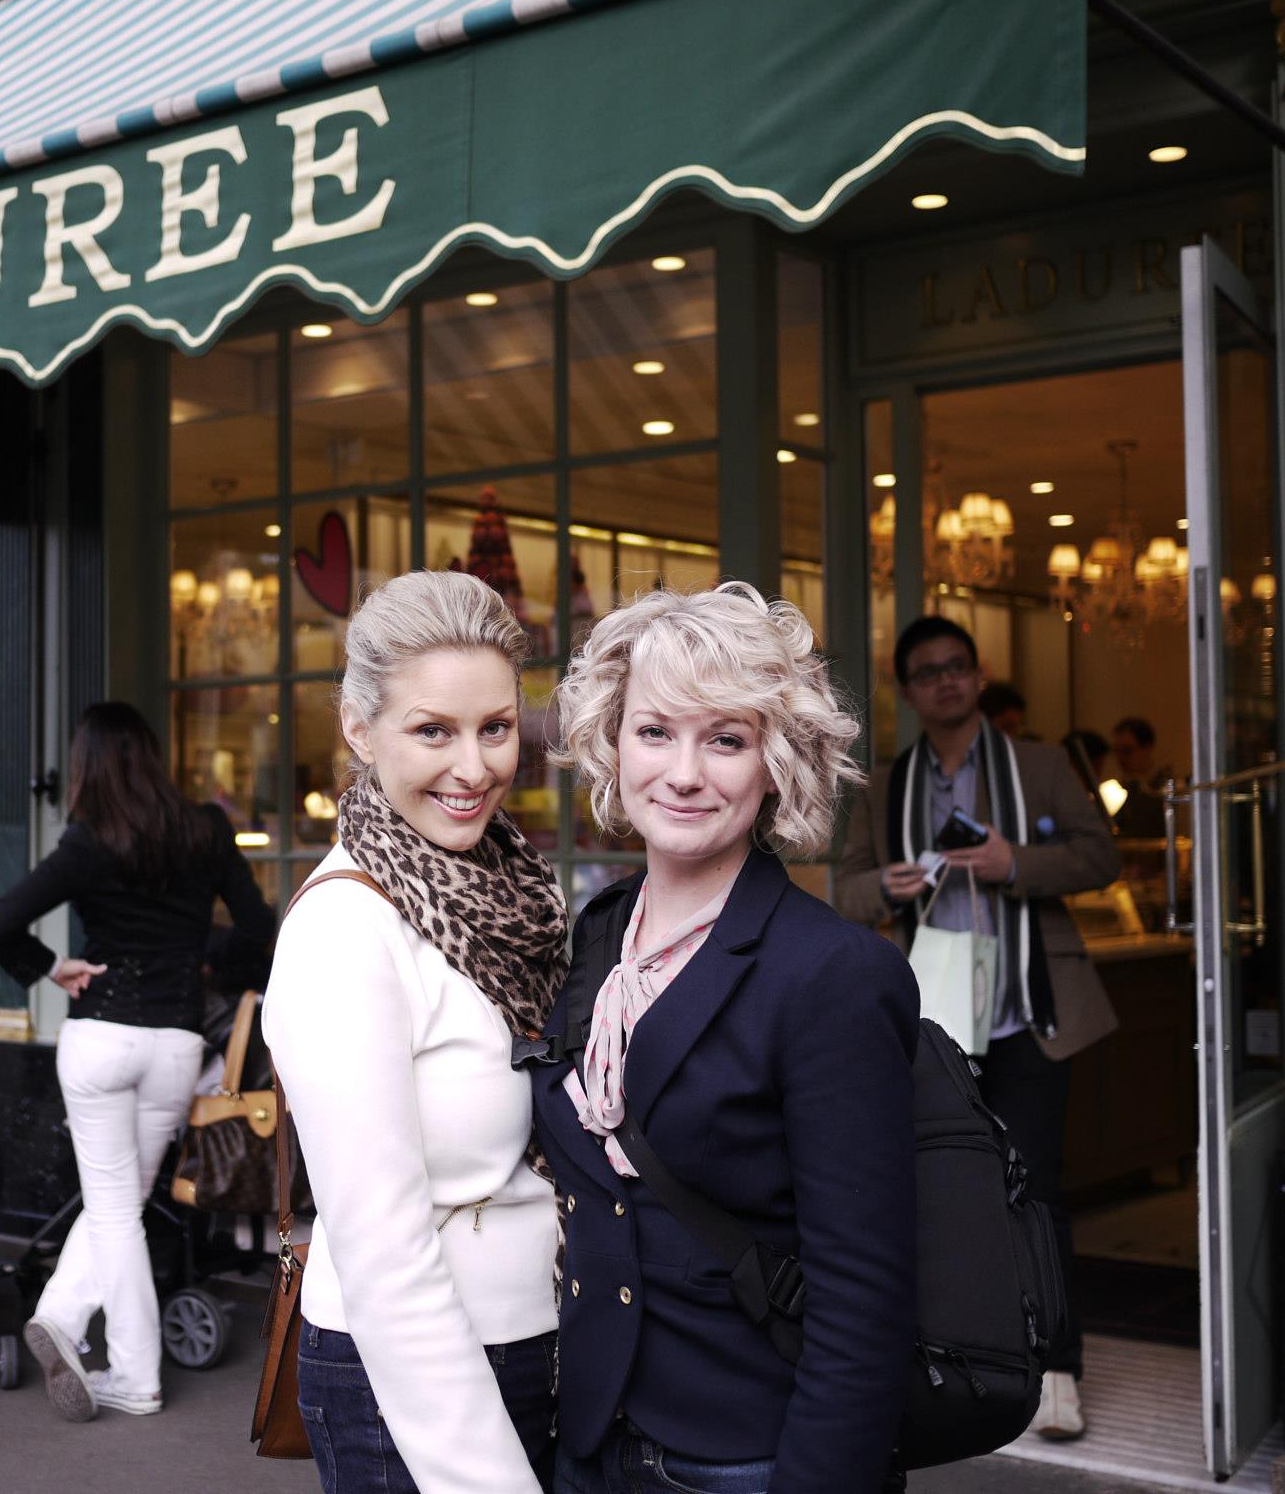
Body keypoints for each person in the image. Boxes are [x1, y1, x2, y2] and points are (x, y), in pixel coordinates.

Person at [534, 582, 919, 1494]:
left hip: (743, 1456)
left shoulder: (830, 974)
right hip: (589, 1438)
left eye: (727, 739)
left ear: (777, 763)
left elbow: (864, 1301)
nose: (683, 772)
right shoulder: (599, 933)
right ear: (611, 744)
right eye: (655, 730)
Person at [262, 570, 567, 1494]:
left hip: (542, 1346)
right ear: (359, 729)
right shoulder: (344, 927)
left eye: (496, 728)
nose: (473, 768)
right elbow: (383, 1248)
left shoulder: (522, 893)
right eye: (432, 730)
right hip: (411, 1379)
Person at [834, 615, 1120, 1441]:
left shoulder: (1037, 764)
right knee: (943, 1189)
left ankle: (1058, 1369)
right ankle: (964, 1358)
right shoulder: (886, 784)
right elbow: (845, 887)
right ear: (908, 689)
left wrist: (1014, 865)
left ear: (980, 673)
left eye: (957, 666)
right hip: (932, 1017)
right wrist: (886, 889)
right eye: (927, 672)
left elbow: (1098, 854)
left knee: (1037, 1189)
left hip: (1030, 1011)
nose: (945, 681)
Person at [0, 702, 274, 1423]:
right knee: (123, 1206)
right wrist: (205, 961)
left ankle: (135, 1375)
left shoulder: (89, 841)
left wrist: (49, 967)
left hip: (103, 1037)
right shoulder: (204, 827)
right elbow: (261, 928)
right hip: (176, 1045)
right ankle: (62, 1320)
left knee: (113, 1210)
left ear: (86, 767)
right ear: (153, 756)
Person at [1110, 716, 1175, 840]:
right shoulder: (1118, 789)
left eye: (1126, 751)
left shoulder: (1164, 787)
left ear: (1147, 747)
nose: (1120, 759)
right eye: (1116, 751)